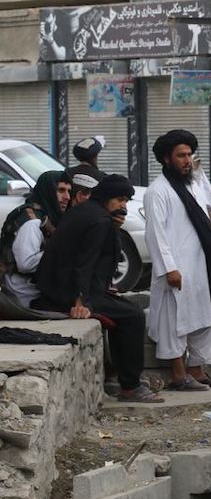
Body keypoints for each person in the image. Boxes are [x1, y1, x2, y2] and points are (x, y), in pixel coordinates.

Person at [33, 175, 162, 403]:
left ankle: (119, 376)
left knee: (127, 308)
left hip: (58, 288)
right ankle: (130, 386)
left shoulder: (87, 211)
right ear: (106, 197)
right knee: (133, 316)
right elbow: (85, 262)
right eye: (119, 199)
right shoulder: (100, 221)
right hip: (68, 294)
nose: (123, 205)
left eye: (126, 200)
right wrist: (80, 301)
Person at [145, 130, 211, 392]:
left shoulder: (193, 184)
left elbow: (210, 210)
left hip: (203, 264)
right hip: (177, 268)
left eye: (189, 155)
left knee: (206, 317)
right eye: (181, 156)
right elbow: (156, 234)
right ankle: (178, 375)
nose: (187, 160)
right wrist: (169, 268)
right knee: (174, 321)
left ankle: (197, 371)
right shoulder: (158, 191)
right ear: (166, 159)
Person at [1, 170, 70, 307]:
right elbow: (25, 264)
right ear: (48, 191)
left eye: (68, 191)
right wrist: (60, 250)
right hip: (23, 294)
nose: (66, 197)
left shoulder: (47, 215)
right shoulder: (32, 222)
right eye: (61, 190)